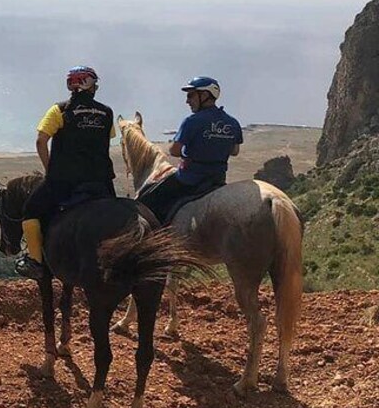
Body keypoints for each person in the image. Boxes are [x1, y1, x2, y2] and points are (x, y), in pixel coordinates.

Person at [16, 66, 117, 279]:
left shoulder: (59, 110)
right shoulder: (107, 112)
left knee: (30, 211)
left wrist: (50, 170)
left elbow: (41, 140)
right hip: (101, 183)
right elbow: (104, 140)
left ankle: (35, 261)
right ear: (90, 85)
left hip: (64, 182)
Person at [138, 76, 243, 222]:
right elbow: (235, 151)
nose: (187, 101)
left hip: (189, 179)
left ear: (205, 95)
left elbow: (174, 150)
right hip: (217, 179)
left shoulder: (192, 121)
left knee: (145, 202)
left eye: (190, 95)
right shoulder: (232, 122)